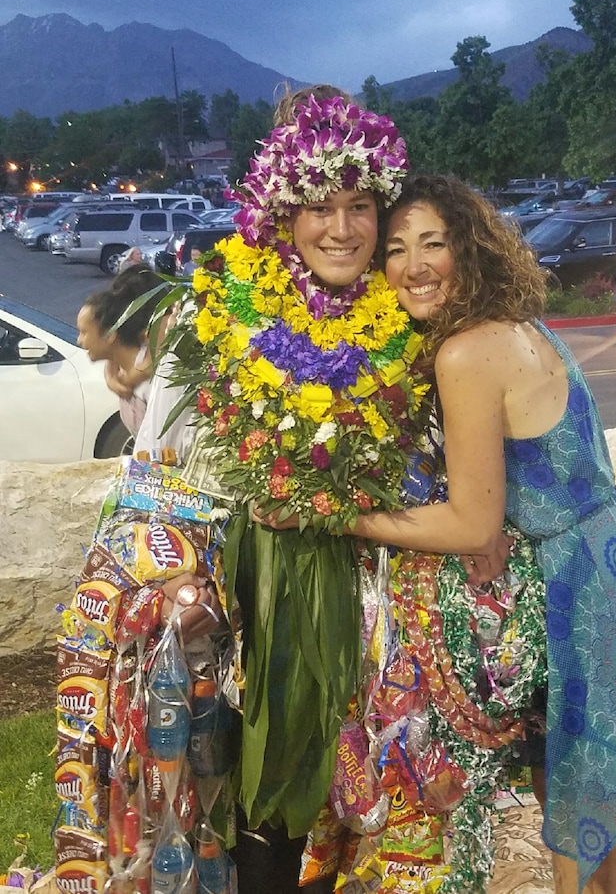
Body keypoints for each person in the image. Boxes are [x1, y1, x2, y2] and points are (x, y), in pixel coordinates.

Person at [341, 175, 616, 893]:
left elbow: (472, 521)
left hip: (585, 601)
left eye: (433, 243)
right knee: (593, 843)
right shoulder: (518, 323)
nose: (413, 265)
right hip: (612, 571)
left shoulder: (465, 352)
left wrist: (342, 516)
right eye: (398, 248)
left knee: (599, 855)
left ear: (468, 249)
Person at [133, 85, 424, 894]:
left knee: (334, 788)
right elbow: (158, 454)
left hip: (362, 592)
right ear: (281, 213)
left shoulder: (403, 314)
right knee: (240, 782)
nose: (342, 228)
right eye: (318, 206)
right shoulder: (218, 309)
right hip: (239, 591)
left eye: (360, 205)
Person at [77, 267, 164, 435]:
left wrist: (130, 378)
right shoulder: (120, 369)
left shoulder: (154, 382)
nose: (79, 340)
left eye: (84, 332)